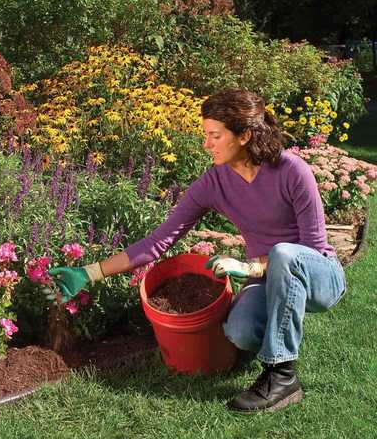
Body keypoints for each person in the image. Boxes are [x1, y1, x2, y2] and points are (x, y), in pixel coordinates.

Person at [48, 88, 347, 414]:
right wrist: (90, 272)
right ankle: (270, 336)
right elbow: (159, 240)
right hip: (267, 277)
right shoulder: (214, 183)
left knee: (284, 255)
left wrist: (251, 268)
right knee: (240, 331)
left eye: (215, 135)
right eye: (206, 135)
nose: (207, 144)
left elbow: (312, 248)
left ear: (244, 135)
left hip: (318, 275)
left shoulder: (291, 170)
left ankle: (282, 375)